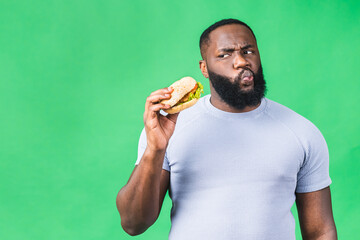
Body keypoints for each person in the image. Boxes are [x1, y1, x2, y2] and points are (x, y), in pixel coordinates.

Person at [116, 18, 337, 239]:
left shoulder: (301, 132)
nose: (241, 61)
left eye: (248, 51)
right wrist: (155, 149)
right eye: (225, 54)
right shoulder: (168, 128)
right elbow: (133, 223)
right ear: (204, 68)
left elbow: (320, 232)